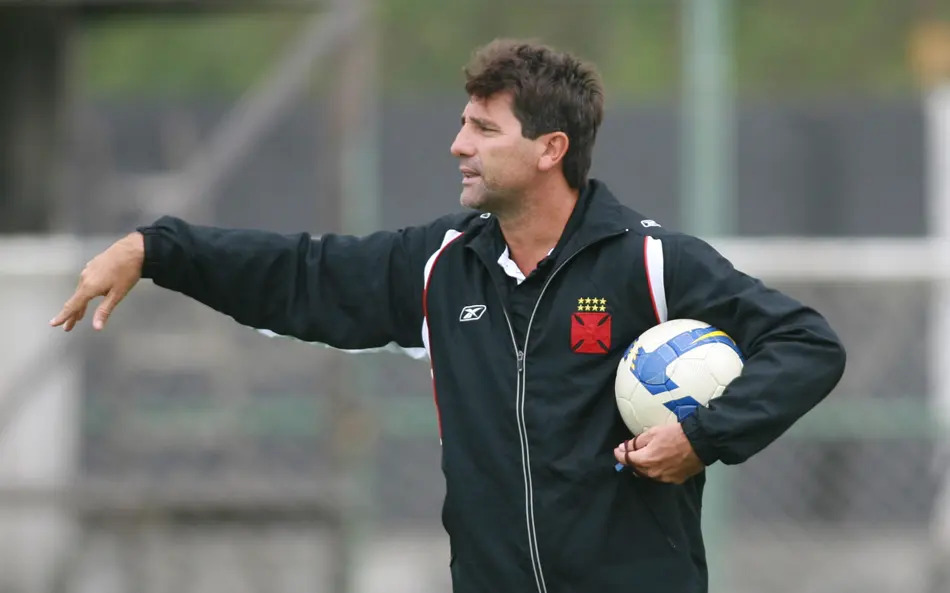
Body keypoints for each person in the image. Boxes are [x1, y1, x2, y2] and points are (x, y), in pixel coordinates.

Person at [51, 39, 846, 593]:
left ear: (549, 149)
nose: (458, 144)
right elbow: (305, 275)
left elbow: (806, 344)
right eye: (464, 121)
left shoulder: (648, 262)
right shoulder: (442, 265)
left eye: (482, 128)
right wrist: (160, 249)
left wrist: (700, 436)